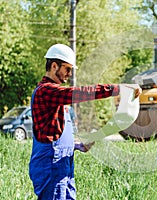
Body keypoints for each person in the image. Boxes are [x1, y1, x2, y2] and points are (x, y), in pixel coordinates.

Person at [29, 43, 141, 200]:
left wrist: (76, 145)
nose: (69, 74)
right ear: (54, 66)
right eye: (67, 69)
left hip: (62, 165)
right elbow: (79, 93)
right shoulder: (46, 91)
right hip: (50, 166)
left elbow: (51, 132)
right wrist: (118, 89)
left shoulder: (54, 95)